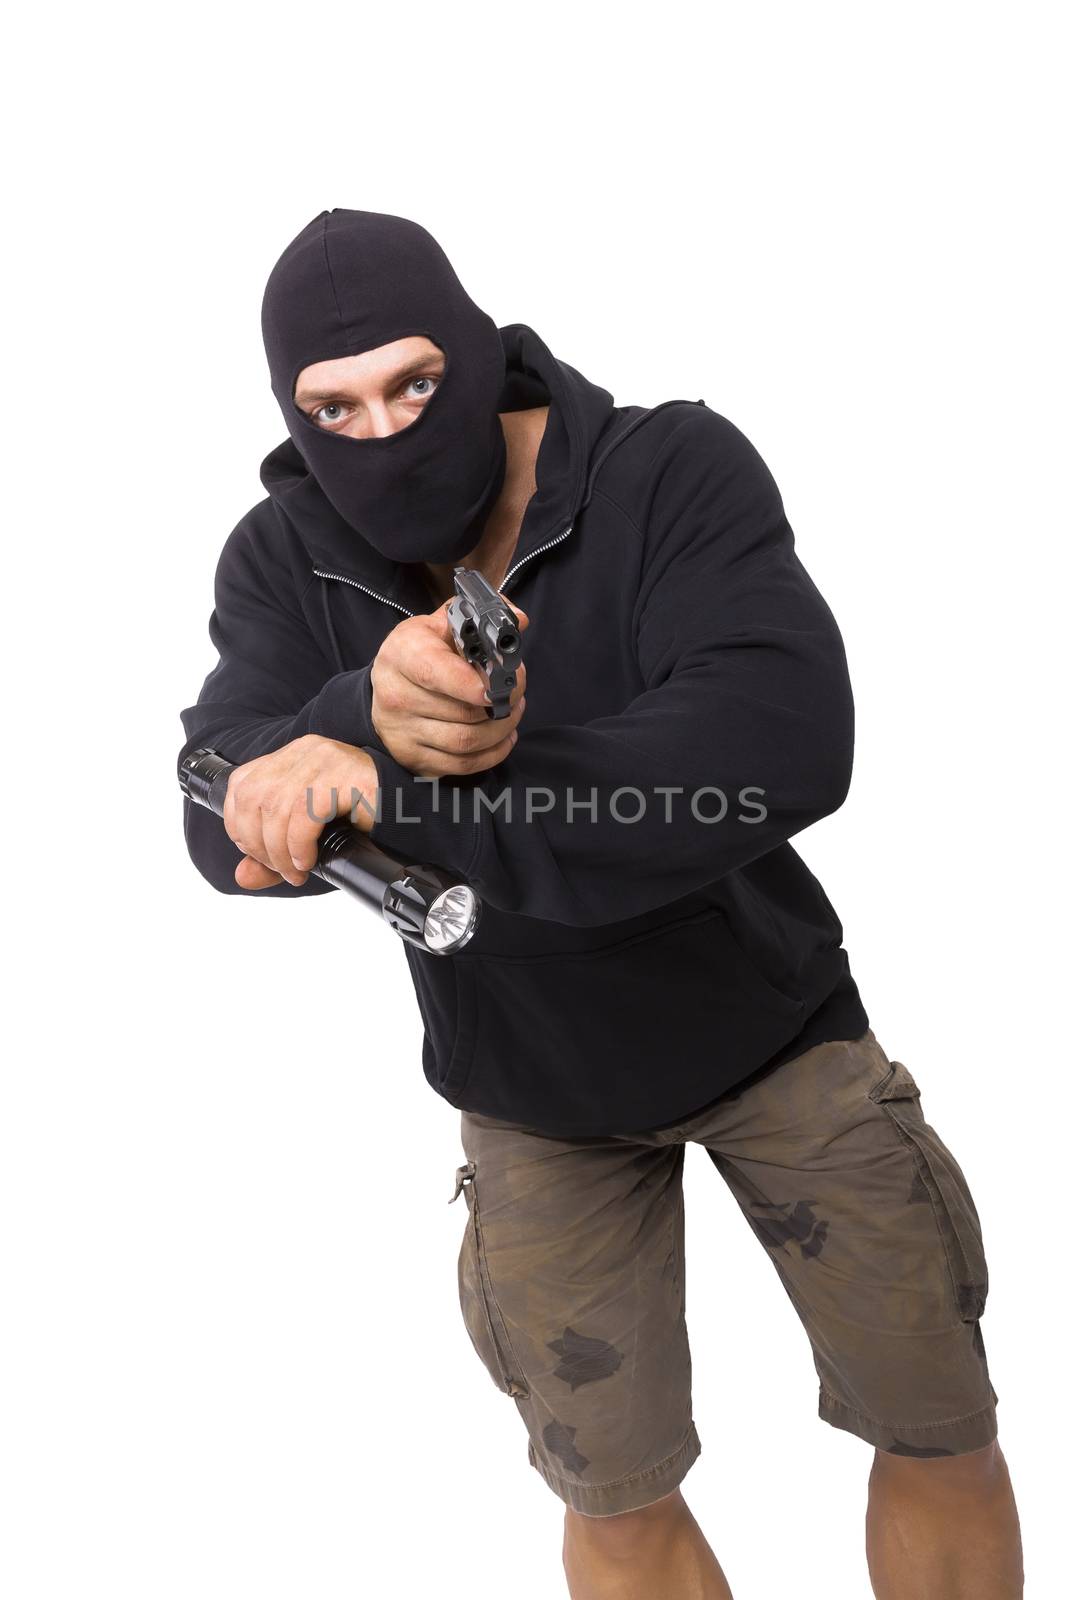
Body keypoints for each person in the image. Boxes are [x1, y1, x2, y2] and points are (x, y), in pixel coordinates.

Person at [178, 208, 1024, 1597]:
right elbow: (218, 795)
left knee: (932, 1421)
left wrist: (397, 790)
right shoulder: (282, 555)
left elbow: (774, 745)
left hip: (775, 1034)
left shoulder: (662, 469)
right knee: (610, 1488)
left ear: (472, 349)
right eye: (331, 407)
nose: (378, 433)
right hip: (528, 1085)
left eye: (412, 385)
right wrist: (353, 711)